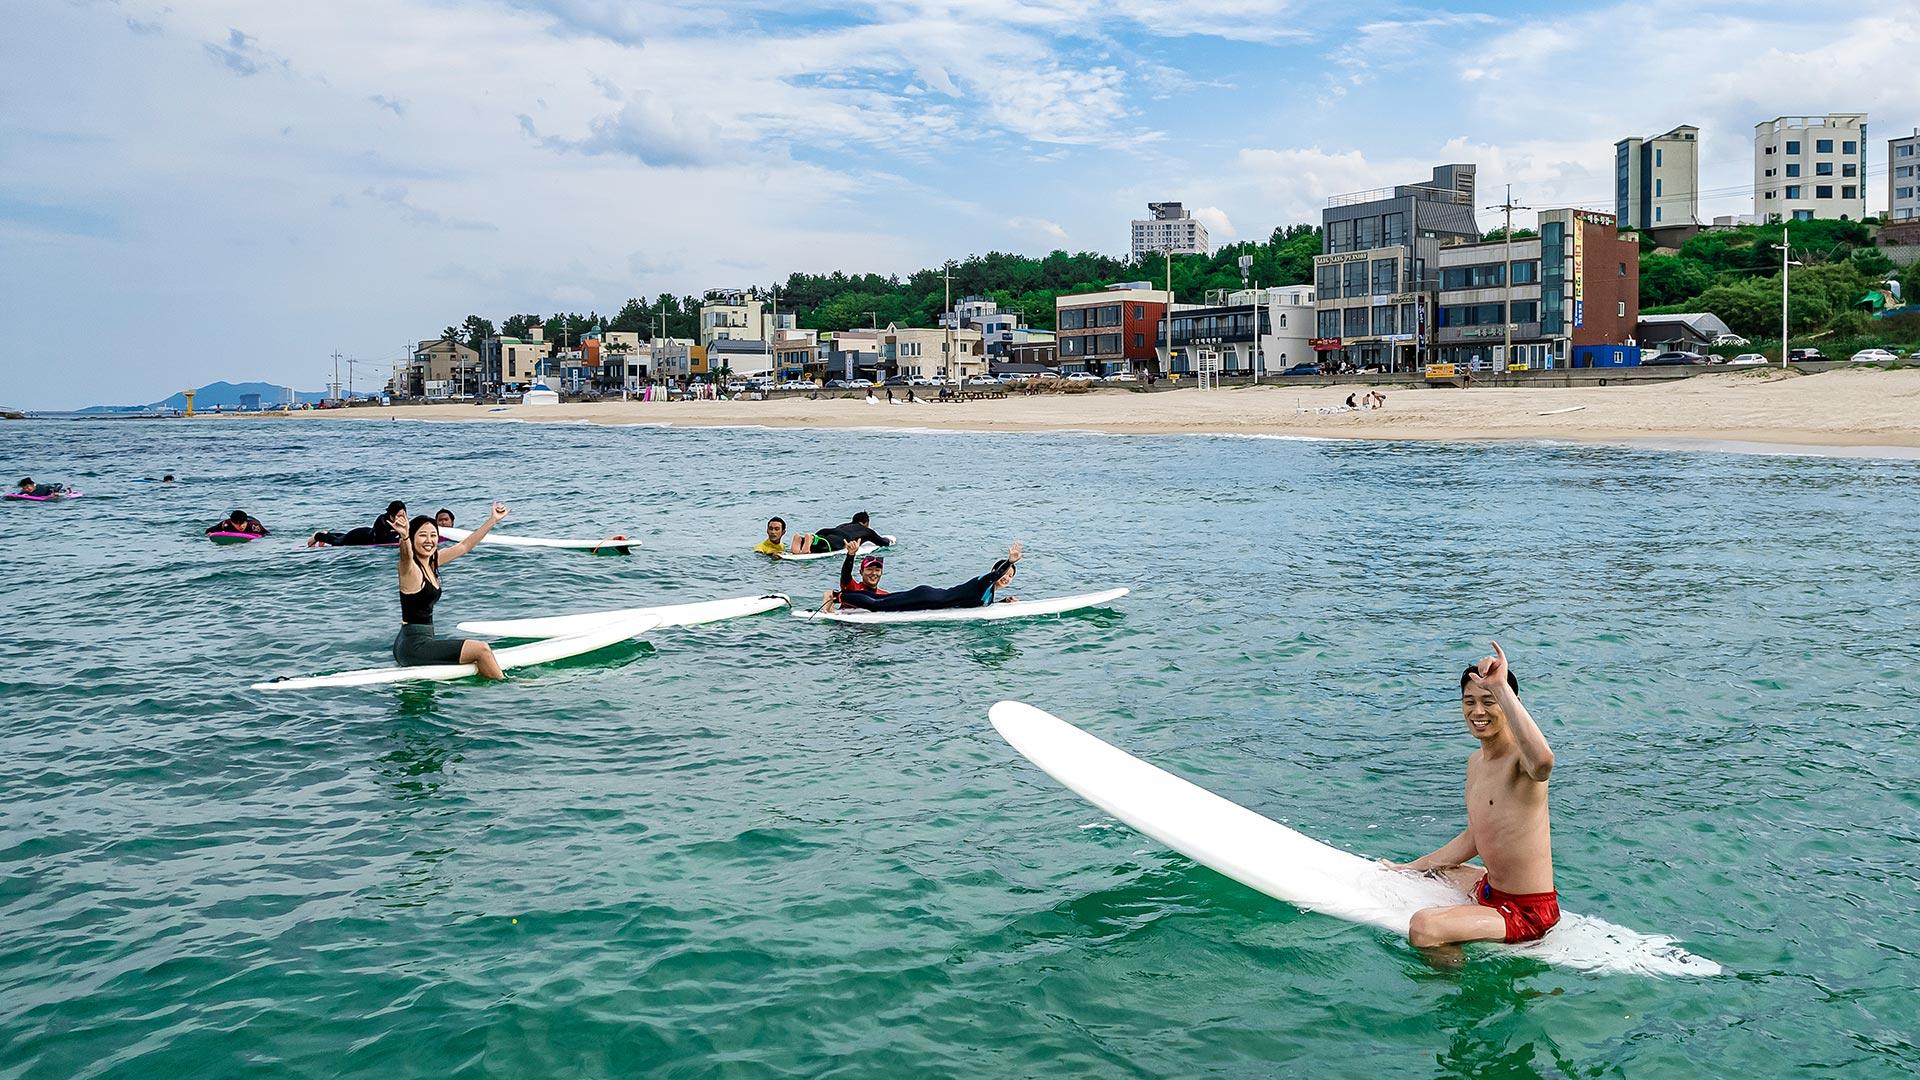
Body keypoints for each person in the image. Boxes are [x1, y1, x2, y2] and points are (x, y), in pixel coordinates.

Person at [1383, 642, 1558, 956]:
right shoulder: (1475, 764)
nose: (1478, 712)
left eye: (1489, 701)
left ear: (1509, 702)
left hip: (1527, 911)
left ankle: (1460, 995)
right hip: (1489, 890)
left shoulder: (1522, 762)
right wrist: (1409, 868)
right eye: (1470, 702)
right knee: (1438, 871)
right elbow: (1475, 837)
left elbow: (1544, 761)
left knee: (1425, 928)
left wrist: (1501, 687)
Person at [393, 502, 510, 677]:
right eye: (422, 535)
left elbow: (465, 546)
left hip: (414, 641)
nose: (429, 540)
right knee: (481, 649)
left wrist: (492, 520)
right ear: (412, 538)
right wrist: (404, 538)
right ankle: (507, 685)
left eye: (433, 535)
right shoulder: (410, 570)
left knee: (478, 650)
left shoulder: (431, 562)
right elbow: (406, 558)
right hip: (413, 646)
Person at [822, 540, 1021, 613]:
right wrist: (1010, 562)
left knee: (881, 599)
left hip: (929, 595)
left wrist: (1004, 601)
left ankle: (838, 596)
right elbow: (995, 574)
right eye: (1005, 574)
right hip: (928, 598)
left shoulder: (989, 593)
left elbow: (982, 603)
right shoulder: (983, 582)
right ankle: (835, 596)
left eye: (1010, 577)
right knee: (877, 606)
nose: (1006, 578)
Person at [308, 500, 408, 547]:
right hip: (360, 536)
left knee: (342, 536)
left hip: (365, 532)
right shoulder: (382, 520)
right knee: (339, 542)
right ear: (391, 515)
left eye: (403, 515)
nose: (402, 518)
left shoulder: (404, 522)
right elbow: (382, 540)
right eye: (399, 516)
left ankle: (327, 534)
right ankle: (318, 536)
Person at [788, 511, 890, 555]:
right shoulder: (866, 530)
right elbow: (883, 542)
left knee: (818, 542)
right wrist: (889, 540)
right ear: (866, 523)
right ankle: (810, 538)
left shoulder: (844, 525)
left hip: (826, 532)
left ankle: (801, 540)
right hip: (838, 539)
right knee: (827, 545)